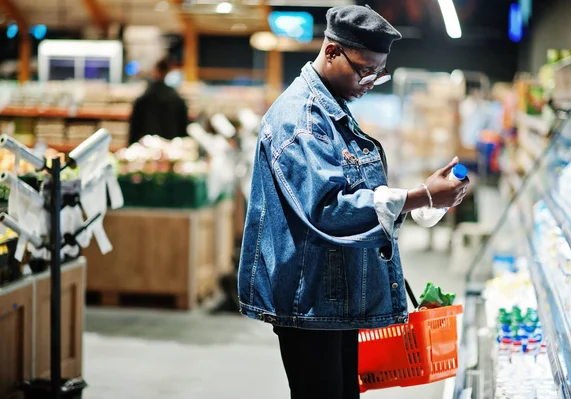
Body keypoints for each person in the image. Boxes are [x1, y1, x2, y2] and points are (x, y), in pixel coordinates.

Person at [237, 5, 470, 399]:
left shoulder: (331, 106)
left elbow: (356, 191)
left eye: (378, 73)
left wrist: (422, 199)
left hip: (332, 296)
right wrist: (421, 195)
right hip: (310, 301)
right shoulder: (302, 118)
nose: (370, 82)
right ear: (331, 52)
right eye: (365, 70)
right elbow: (327, 209)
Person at [128, 58, 189, 145]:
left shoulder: (144, 98)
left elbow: (134, 128)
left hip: (145, 148)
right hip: (170, 149)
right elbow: (183, 129)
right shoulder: (176, 98)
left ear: (155, 70)